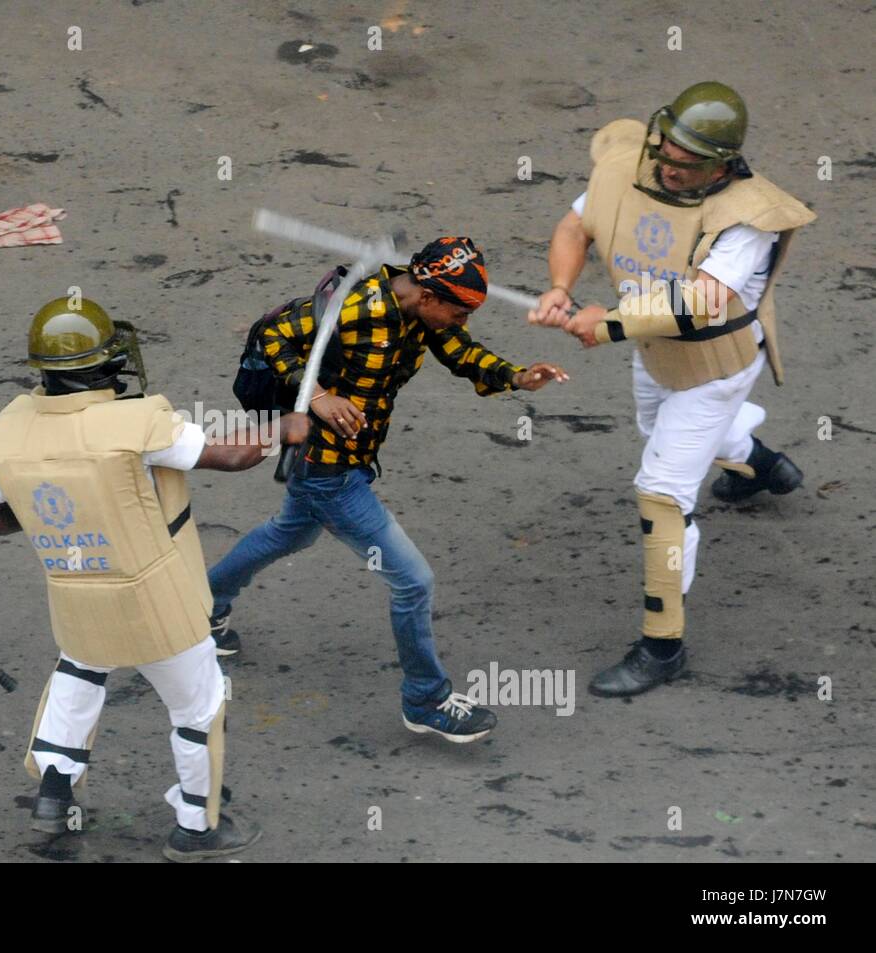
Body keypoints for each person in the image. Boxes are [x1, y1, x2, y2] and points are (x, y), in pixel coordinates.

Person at [0, 296, 309, 862]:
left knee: (78, 676)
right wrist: (284, 426)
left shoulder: (11, 429)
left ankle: (53, 796)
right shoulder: (138, 421)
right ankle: (197, 826)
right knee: (199, 707)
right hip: (156, 598)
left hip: (75, 598)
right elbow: (230, 457)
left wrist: (53, 523)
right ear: (103, 368)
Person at [208, 237, 568, 742]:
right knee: (412, 582)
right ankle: (426, 699)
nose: (461, 323)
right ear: (428, 296)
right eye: (459, 312)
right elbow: (273, 336)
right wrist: (317, 396)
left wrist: (515, 376)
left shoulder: (421, 315)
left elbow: (458, 352)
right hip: (327, 467)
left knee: (290, 533)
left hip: (346, 460)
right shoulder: (356, 309)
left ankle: (205, 607)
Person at [526, 81, 815, 696]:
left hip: (716, 363)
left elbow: (701, 304)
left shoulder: (747, 219)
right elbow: (576, 228)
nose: (672, 171)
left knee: (661, 490)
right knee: (661, 435)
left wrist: (605, 323)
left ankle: (662, 646)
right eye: (669, 156)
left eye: (690, 166)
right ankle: (760, 465)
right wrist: (559, 287)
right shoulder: (628, 169)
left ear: (722, 164)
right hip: (655, 352)